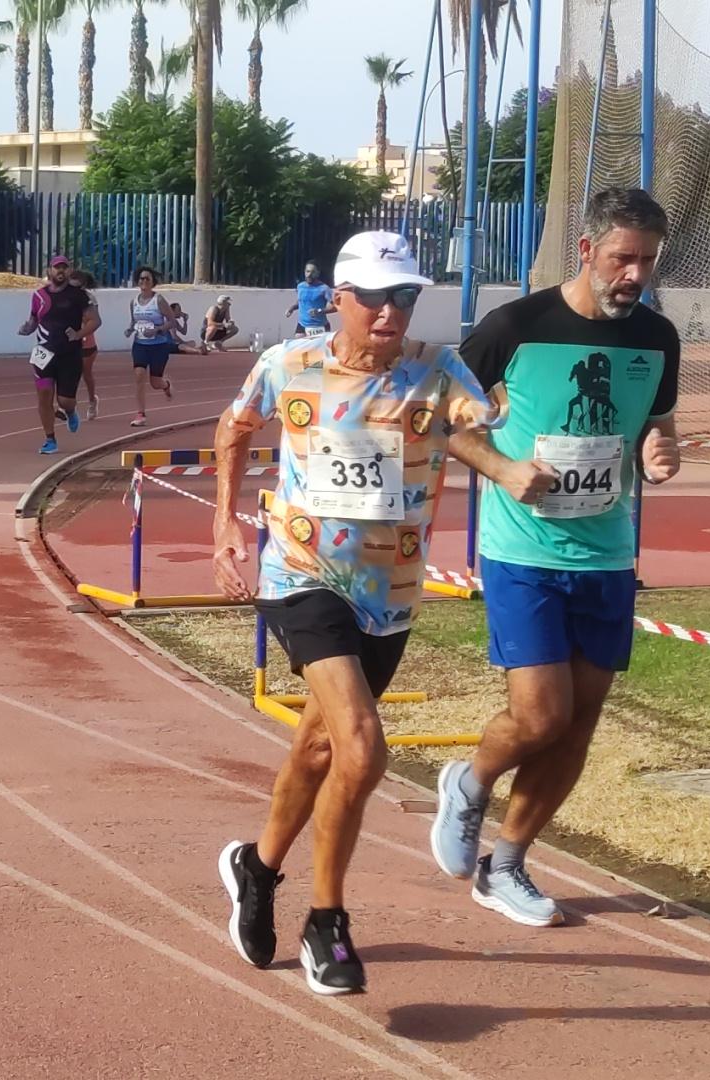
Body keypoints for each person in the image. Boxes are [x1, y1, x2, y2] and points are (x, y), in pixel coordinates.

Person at [212, 230, 547, 995]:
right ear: (339, 298)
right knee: (362, 749)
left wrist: (505, 462)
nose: (389, 312)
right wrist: (224, 523)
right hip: (302, 573)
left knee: (319, 748)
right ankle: (327, 923)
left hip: (388, 592)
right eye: (372, 297)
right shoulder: (287, 364)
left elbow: (468, 427)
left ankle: (257, 867)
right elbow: (234, 428)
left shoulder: (437, 370)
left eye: (403, 296)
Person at [428, 187, 683, 928]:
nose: (634, 275)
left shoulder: (658, 337)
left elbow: (657, 425)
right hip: (524, 549)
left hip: (607, 554)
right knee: (542, 716)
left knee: (579, 722)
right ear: (586, 250)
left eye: (647, 261)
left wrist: (660, 451)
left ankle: (507, 863)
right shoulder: (516, 327)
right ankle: (470, 782)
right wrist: (502, 468)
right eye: (622, 259)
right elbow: (439, 417)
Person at [18, 256, 101, 454]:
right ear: (50, 271)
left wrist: (78, 334)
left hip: (69, 354)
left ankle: (70, 411)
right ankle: (50, 439)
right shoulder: (39, 296)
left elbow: (95, 320)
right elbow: (34, 320)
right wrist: (27, 328)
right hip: (43, 353)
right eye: (57, 268)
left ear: (69, 271)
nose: (60, 271)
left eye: (64, 268)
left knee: (65, 401)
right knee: (44, 397)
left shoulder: (78, 295)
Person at [124, 266, 178, 428]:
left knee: (155, 383)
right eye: (141, 278)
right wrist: (130, 329)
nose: (144, 281)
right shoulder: (134, 302)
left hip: (158, 346)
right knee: (139, 375)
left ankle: (166, 385)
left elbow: (172, 321)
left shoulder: (159, 300)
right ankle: (140, 414)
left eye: (147, 278)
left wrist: (157, 330)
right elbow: (134, 322)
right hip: (140, 345)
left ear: (153, 282)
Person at [69, 268, 104, 419]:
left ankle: (92, 400)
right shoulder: (63, 296)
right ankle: (69, 405)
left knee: (86, 373)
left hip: (86, 341)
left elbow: (94, 320)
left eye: (77, 286)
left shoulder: (89, 299)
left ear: (83, 286)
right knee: (69, 373)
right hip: (68, 341)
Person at [285, 262, 332, 338]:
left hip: (319, 326)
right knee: (299, 344)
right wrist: (292, 308)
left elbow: (333, 307)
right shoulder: (300, 286)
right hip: (302, 325)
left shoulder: (324, 288)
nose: (309, 275)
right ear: (304, 272)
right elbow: (301, 301)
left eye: (313, 272)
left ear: (318, 273)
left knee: (317, 346)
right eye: (308, 271)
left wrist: (318, 311)